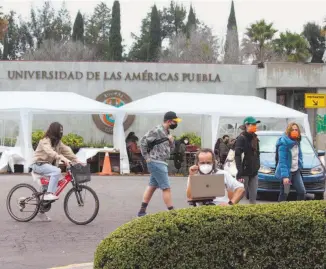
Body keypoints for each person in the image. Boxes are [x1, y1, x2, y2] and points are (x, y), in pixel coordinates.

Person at [137, 111, 181, 217]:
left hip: (161, 162)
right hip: (156, 162)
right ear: (169, 121)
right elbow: (143, 142)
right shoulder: (156, 130)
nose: (176, 123)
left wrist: (171, 141)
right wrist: (147, 158)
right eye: (175, 121)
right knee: (166, 188)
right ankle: (172, 212)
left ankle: (142, 211)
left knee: (152, 186)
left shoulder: (168, 133)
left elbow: (172, 149)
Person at [31, 122, 80, 202]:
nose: (61, 132)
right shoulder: (45, 141)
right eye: (60, 130)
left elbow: (66, 151)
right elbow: (49, 151)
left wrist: (76, 160)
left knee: (52, 178)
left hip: (46, 165)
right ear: (55, 130)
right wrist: (61, 158)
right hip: (38, 164)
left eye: (62, 130)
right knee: (57, 171)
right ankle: (48, 194)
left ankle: (43, 203)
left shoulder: (57, 142)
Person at [275, 122, 306, 201]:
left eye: (296, 130)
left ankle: (299, 210)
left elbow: (299, 155)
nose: (295, 131)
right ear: (288, 131)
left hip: (296, 171)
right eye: (292, 130)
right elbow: (282, 161)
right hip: (287, 173)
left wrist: (300, 164)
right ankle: (280, 211)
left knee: (302, 192)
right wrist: (285, 176)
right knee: (285, 193)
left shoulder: (297, 142)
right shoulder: (283, 143)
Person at [235, 116, 260, 204]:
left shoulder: (255, 138)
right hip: (244, 172)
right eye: (253, 124)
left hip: (254, 171)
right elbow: (237, 156)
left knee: (253, 197)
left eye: (255, 124)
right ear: (246, 125)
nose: (255, 126)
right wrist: (240, 172)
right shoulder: (241, 138)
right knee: (240, 195)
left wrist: (257, 166)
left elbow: (257, 154)